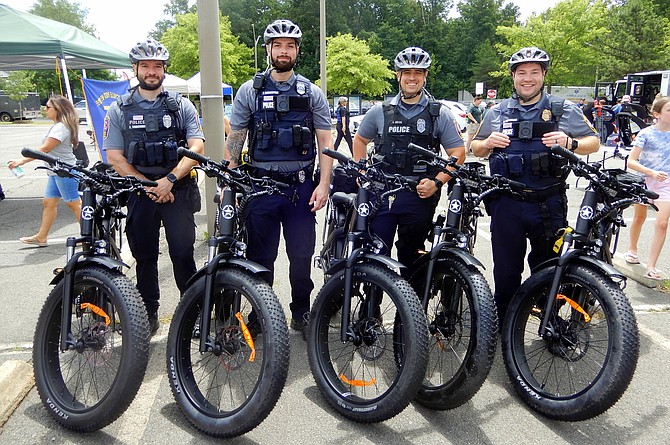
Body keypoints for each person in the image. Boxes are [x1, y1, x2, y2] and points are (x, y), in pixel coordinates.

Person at [471, 46, 599, 321]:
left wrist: (570, 142)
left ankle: (548, 318)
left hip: (547, 204)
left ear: (543, 75)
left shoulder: (563, 109)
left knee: (547, 269)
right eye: (521, 73)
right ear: (513, 77)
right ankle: (505, 321)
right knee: (506, 272)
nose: (527, 79)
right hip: (507, 204)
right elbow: (476, 147)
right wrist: (487, 143)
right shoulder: (497, 112)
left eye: (534, 73)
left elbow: (594, 142)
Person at [224, 19, 333, 340]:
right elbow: (236, 140)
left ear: (297, 51)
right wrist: (226, 180)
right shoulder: (249, 91)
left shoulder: (311, 92)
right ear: (268, 50)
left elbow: (326, 142)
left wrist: (324, 183)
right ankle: (261, 314)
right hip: (260, 187)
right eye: (278, 45)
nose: (283, 51)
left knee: (301, 256)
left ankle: (301, 310)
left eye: (290, 46)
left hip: (301, 189)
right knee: (260, 258)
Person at [102, 38, 205, 334]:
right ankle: (148, 313)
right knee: (144, 257)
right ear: (135, 68)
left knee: (183, 254)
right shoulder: (119, 109)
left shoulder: (181, 105)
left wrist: (169, 180)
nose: (151, 71)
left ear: (164, 70)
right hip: (140, 193)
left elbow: (196, 146)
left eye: (157, 66)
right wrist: (149, 185)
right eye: (145, 66)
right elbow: (115, 157)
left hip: (178, 191)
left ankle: (192, 313)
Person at [353, 46, 465, 272]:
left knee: (411, 259)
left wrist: (437, 182)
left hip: (418, 195)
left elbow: (458, 152)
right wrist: (363, 172)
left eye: (418, 72)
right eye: (407, 72)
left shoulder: (439, 113)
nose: (412, 78)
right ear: (398, 76)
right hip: (382, 193)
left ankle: (408, 307)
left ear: (425, 76)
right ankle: (370, 307)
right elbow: (359, 141)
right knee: (375, 257)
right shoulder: (380, 111)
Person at [8, 95, 82, 247]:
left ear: (58, 109)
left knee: (75, 204)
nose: (45, 109)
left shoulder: (61, 127)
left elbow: (45, 149)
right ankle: (41, 237)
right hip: (55, 172)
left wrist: (22, 160)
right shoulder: (58, 125)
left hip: (65, 172)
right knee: (49, 203)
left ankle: (91, 236)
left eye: (48, 107)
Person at [625, 96, 670, 280]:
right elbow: (631, 161)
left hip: (666, 181)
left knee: (662, 223)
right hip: (643, 179)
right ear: (656, 114)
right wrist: (650, 172)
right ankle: (632, 249)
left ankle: (652, 265)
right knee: (640, 217)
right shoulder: (646, 133)